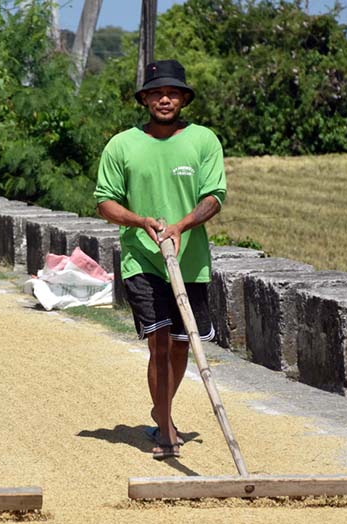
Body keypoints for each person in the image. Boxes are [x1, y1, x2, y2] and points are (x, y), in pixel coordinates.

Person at [94, 59, 227, 459]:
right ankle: (166, 425)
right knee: (158, 343)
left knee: (183, 346)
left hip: (191, 261)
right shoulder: (122, 145)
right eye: (156, 93)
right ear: (146, 100)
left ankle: (161, 407)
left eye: (171, 93)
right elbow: (105, 202)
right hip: (143, 258)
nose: (164, 99)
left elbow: (214, 197)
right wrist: (141, 221)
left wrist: (183, 225)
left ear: (183, 98)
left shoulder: (203, 141)